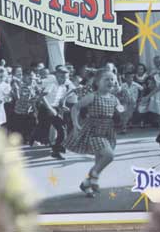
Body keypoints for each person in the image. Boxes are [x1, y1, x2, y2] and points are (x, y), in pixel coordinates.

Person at [65, 68, 123, 197]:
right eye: (106, 79)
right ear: (97, 82)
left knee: (99, 160)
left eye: (112, 79)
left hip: (108, 131)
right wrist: (75, 124)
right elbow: (76, 107)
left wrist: (121, 110)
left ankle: (87, 185)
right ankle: (92, 179)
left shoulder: (114, 98)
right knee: (109, 156)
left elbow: (120, 111)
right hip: (94, 131)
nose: (110, 81)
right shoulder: (93, 96)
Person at [36, 65, 72, 159]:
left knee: (62, 128)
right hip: (46, 108)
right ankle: (56, 149)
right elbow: (42, 96)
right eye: (62, 77)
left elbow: (59, 99)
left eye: (66, 77)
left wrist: (62, 106)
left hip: (54, 108)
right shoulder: (52, 84)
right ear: (57, 76)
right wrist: (50, 109)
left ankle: (57, 148)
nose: (64, 80)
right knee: (60, 128)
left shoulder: (64, 87)